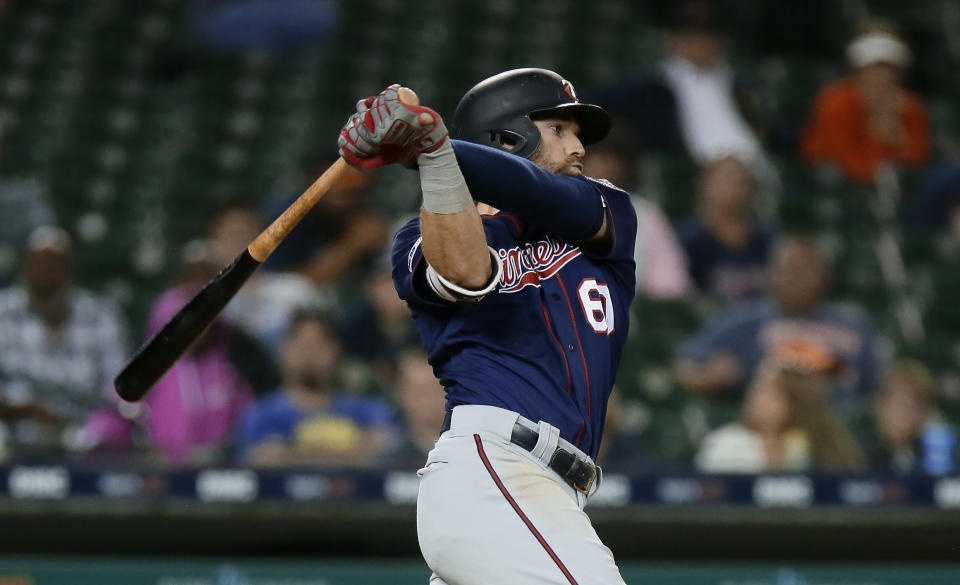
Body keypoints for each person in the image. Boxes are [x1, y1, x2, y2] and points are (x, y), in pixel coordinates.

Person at [338, 69, 637, 584]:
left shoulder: (604, 207)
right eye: (560, 130)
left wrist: (434, 145)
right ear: (507, 137)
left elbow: (536, 190)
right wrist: (435, 154)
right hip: (495, 469)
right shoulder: (415, 237)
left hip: (552, 490)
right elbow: (465, 271)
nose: (579, 146)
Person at [675, 237, 882, 409]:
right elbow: (684, 365)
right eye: (790, 269)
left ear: (826, 277)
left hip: (840, 429)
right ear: (772, 276)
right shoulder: (745, 320)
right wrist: (708, 377)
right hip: (772, 429)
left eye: (807, 269)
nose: (798, 279)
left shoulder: (853, 323)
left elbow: (878, 387)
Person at [0, 226, 128, 455]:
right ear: (26, 267)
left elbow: (117, 388)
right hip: (14, 439)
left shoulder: (99, 314)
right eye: (40, 263)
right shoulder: (4, 311)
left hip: (85, 439)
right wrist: (25, 410)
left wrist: (83, 422)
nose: (48, 273)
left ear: (70, 270)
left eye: (57, 264)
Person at [236, 309, 396, 467]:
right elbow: (255, 459)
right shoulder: (261, 414)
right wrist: (351, 452)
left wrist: (292, 454)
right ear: (283, 351)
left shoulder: (366, 410)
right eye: (302, 345)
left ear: (336, 351)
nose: (310, 353)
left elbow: (387, 446)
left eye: (318, 345)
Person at [800, 20, 931, 186]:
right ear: (859, 70)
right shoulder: (836, 103)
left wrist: (900, 142)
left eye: (891, 69)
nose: (883, 77)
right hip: (832, 189)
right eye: (876, 68)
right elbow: (854, 169)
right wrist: (881, 141)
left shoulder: (911, 107)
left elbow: (918, 165)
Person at [581, 128, 691, 299]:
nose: (607, 167)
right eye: (599, 159)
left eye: (615, 160)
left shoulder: (646, 215)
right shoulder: (555, 210)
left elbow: (671, 286)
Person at [676, 155, 775, 301]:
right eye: (727, 180)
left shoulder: (768, 239)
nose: (735, 188)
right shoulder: (686, 240)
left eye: (742, 181)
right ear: (706, 184)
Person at [862, 360, 957, 475]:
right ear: (881, 406)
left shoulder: (933, 455)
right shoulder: (862, 453)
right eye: (897, 404)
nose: (902, 415)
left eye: (913, 408)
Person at [384, 349, 448, 471]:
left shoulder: (475, 448)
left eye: (430, 389)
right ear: (401, 395)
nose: (423, 400)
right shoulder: (389, 457)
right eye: (416, 391)